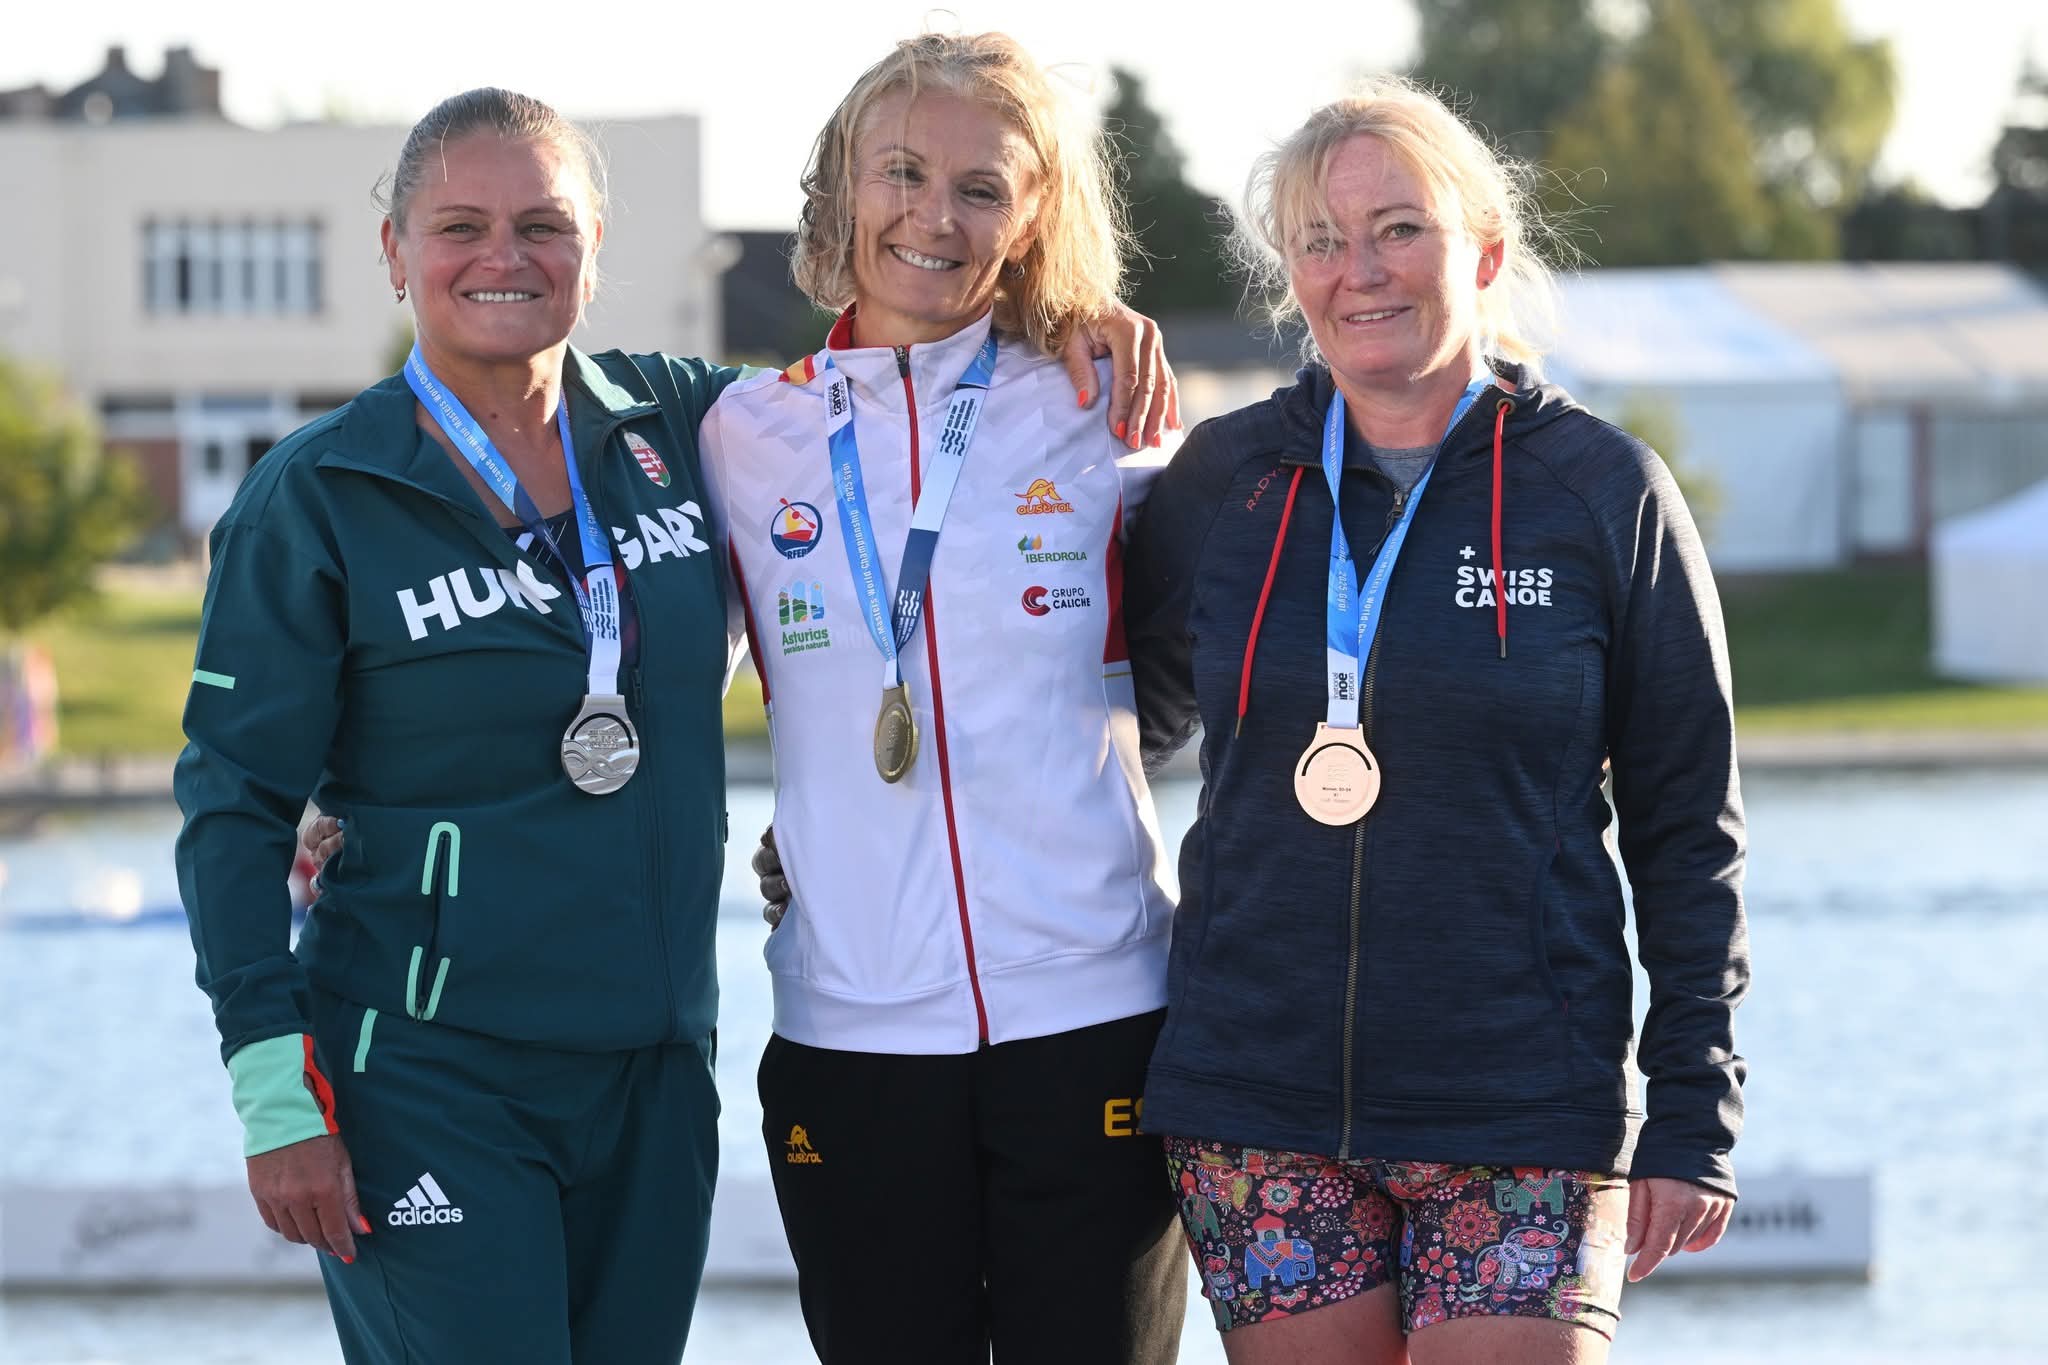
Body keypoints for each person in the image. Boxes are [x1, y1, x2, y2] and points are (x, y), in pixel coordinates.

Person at [180, 86, 1169, 1365]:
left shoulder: (687, 424)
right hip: (426, 1070)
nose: (504, 257)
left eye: (543, 223)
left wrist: (1067, 313)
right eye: (458, 226)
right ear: (393, 251)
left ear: (594, 249)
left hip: (651, 1063)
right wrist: (272, 1094)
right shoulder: (317, 493)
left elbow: (896, 382)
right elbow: (229, 809)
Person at [1122, 80, 1750, 1363]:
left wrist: (1693, 1109)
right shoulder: (1223, 483)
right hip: (1260, 1103)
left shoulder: (1599, 493)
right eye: (1317, 240)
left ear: (1484, 250)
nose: (1357, 272)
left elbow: (1688, 827)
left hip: (1521, 1104)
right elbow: (1104, 726)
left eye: (1397, 228)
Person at [700, 33, 1186, 1365]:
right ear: (842, 187)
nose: (934, 213)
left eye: (982, 188)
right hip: (852, 1031)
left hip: (1096, 1020)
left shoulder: (1105, 405)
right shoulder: (741, 436)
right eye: (901, 171)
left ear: (1033, 218)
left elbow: (1219, 672)